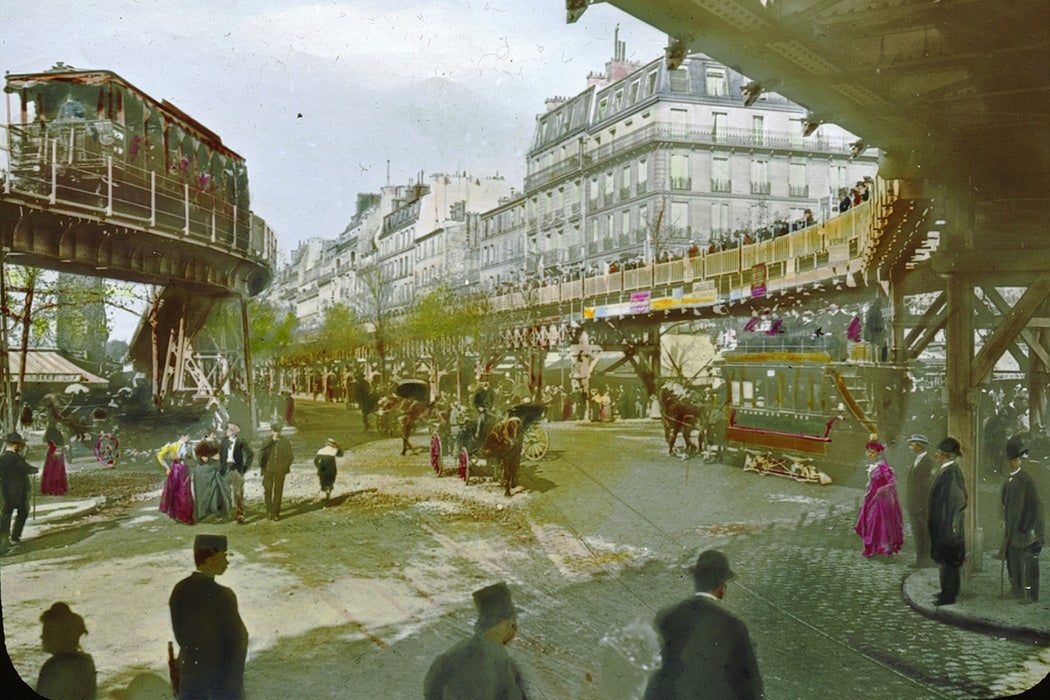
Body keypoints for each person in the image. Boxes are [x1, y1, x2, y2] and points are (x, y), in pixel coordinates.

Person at [643, 549, 762, 699]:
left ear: (696, 580)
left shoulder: (667, 617)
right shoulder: (733, 626)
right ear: (722, 587)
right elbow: (750, 684)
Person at [169, 534, 248, 700]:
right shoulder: (223, 595)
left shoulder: (179, 590)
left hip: (189, 677)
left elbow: (181, 636)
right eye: (223, 556)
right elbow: (239, 642)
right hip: (219, 680)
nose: (227, 562)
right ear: (211, 558)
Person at [423, 582, 527, 699]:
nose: (514, 630)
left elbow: (431, 691)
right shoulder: (505, 666)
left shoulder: (451, 656)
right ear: (502, 624)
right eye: (512, 623)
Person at [997, 435, 1043, 603]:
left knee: (1028, 560)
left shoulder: (1026, 480)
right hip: (1011, 527)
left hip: (1024, 527)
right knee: (1012, 557)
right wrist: (1003, 519)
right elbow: (1003, 502)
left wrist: (1028, 527)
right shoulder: (1010, 479)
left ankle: (1030, 595)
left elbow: (1034, 506)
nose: (1012, 463)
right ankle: (1016, 589)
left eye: (1014, 460)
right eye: (1011, 460)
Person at [928, 437, 967, 606]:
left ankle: (948, 596)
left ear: (946, 456)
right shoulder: (946, 471)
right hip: (944, 525)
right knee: (945, 562)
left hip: (948, 527)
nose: (936, 454)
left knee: (949, 562)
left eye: (938, 452)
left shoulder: (951, 474)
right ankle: (945, 591)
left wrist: (950, 526)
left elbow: (957, 501)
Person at [35, 602, 96, 700]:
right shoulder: (87, 662)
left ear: (59, 635)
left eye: (46, 632)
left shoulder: (54, 666)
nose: (42, 636)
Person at [854, 438, 904, 558]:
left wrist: (881, 490)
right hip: (871, 498)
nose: (871, 454)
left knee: (880, 523)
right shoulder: (874, 466)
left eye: (873, 452)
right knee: (871, 523)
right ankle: (873, 549)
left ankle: (883, 550)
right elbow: (871, 482)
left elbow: (892, 483)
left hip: (882, 500)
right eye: (869, 452)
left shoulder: (884, 468)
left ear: (879, 453)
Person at [0, 431, 39, 550]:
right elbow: (26, 469)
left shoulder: (2, 459)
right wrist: (35, 469)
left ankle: (4, 540)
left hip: (5, 492)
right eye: (20, 445)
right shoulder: (16, 458)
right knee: (23, 512)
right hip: (19, 492)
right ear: (15, 445)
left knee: (6, 515)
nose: (21, 447)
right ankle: (15, 536)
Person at [905, 434, 937, 568]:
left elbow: (926, 485)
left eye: (913, 444)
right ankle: (921, 559)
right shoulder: (917, 460)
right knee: (917, 531)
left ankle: (923, 561)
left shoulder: (927, 461)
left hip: (921, 504)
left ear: (919, 446)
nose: (911, 447)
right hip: (914, 503)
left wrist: (919, 503)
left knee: (922, 531)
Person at [193, 432, 231, 523]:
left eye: (214, 434)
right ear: (207, 435)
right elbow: (201, 458)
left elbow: (219, 455)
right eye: (212, 434)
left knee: (217, 492)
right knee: (204, 492)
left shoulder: (216, 442)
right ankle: (204, 513)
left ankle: (216, 512)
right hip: (203, 472)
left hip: (213, 469)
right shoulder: (202, 444)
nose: (214, 436)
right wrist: (210, 458)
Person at [258, 422, 293, 521]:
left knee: (278, 491)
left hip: (280, 470)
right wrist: (263, 467)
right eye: (275, 431)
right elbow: (261, 455)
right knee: (267, 489)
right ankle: (269, 510)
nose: (277, 433)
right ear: (271, 431)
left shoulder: (285, 442)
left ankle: (276, 513)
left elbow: (290, 457)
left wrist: (284, 467)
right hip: (268, 469)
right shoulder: (266, 441)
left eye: (279, 431)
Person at [219, 423, 253, 524]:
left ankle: (239, 514)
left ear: (232, 432)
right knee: (224, 492)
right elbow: (221, 454)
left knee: (238, 493)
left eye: (228, 430)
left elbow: (250, 455)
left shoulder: (240, 442)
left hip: (237, 469)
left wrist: (245, 467)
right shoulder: (224, 442)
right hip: (226, 469)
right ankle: (228, 513)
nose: (226, 432)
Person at [158, 434, 195, 525]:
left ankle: (185, 515)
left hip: (185, 470)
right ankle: (178, 515)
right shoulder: (173, 445)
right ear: (183, 436)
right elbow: (160, 456)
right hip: (176, 470)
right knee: (177, 493)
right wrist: (167, 467)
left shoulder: (189, 445)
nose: (189, 438)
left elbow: (192, 457)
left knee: (185, 492)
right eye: (187, 436)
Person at [41, 420, 69, 496]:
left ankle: (49, 488)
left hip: (51, 453)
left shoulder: (48, 433)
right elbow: (60, 445)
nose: (60, 427)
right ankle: (56, 487)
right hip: (57, 453)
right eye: (58, 425)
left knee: (50, 470)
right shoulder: (57, 434)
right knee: (57, 471)